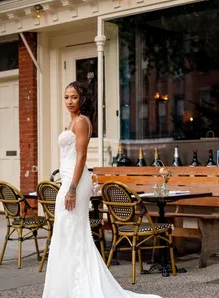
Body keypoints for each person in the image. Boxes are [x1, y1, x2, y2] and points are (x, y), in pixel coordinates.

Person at [42, 81, 162, 298]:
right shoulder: (71, 123)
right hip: (70, 180)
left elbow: (82, 157)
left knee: (71, 232)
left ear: (83, 99)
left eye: (74, 97)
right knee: (67, 233)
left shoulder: (81, 122)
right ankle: (66, 286)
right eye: (66, 97)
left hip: (75, 184)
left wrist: (71, 189)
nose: (69, 101)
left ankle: (78, 287)